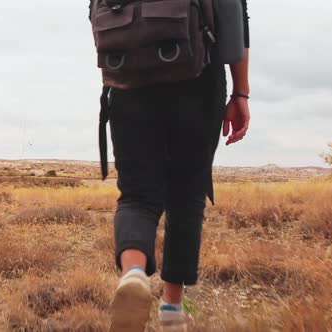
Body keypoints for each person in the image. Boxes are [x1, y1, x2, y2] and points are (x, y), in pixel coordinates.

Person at [91, 1, 251, 330]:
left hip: (128, 77)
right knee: (187, 193)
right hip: (198, 76)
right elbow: (233, 16)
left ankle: (133, 275)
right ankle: (171, 311)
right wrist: (240, 93)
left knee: (136, 195)